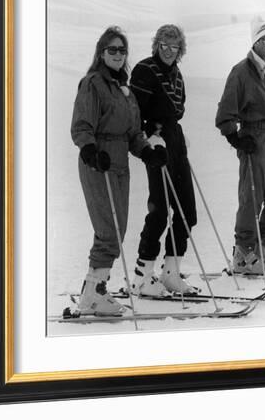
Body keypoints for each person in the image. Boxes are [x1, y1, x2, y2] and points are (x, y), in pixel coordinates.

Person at [71, 26, 168, 316]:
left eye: (121, 50)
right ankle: (93, 294)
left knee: (118, 229)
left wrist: (148, 151)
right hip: (98, 162)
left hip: (119, 165)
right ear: (101, 53)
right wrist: (90, 150)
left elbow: (133, 134)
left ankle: (95, 290)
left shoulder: (125, 91)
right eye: (112, 49)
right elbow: (81, 125)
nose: (117, 54)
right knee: (108, 230)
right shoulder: (92, 84)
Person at [215, 16, 265, 274]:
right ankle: (244, 253)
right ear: (255, 42)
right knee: (252, 197)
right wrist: (235, 137)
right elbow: (225, 111)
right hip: (253, 138)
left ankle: (264, 248)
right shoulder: (241, 71)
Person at [129, 24, 199, 296]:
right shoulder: (145, 70)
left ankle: (170, 272)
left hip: (175, 141)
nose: (169, 51)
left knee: (187, 212)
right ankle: (142, 276)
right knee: (159, 211)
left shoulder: (177, 75)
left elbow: (176, 111)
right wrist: (150, 136)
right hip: (155, 143)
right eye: (164, 45)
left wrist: (176, 137)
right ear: (156, 45)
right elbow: (135, 111)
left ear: (181, 49)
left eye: (174, 47)